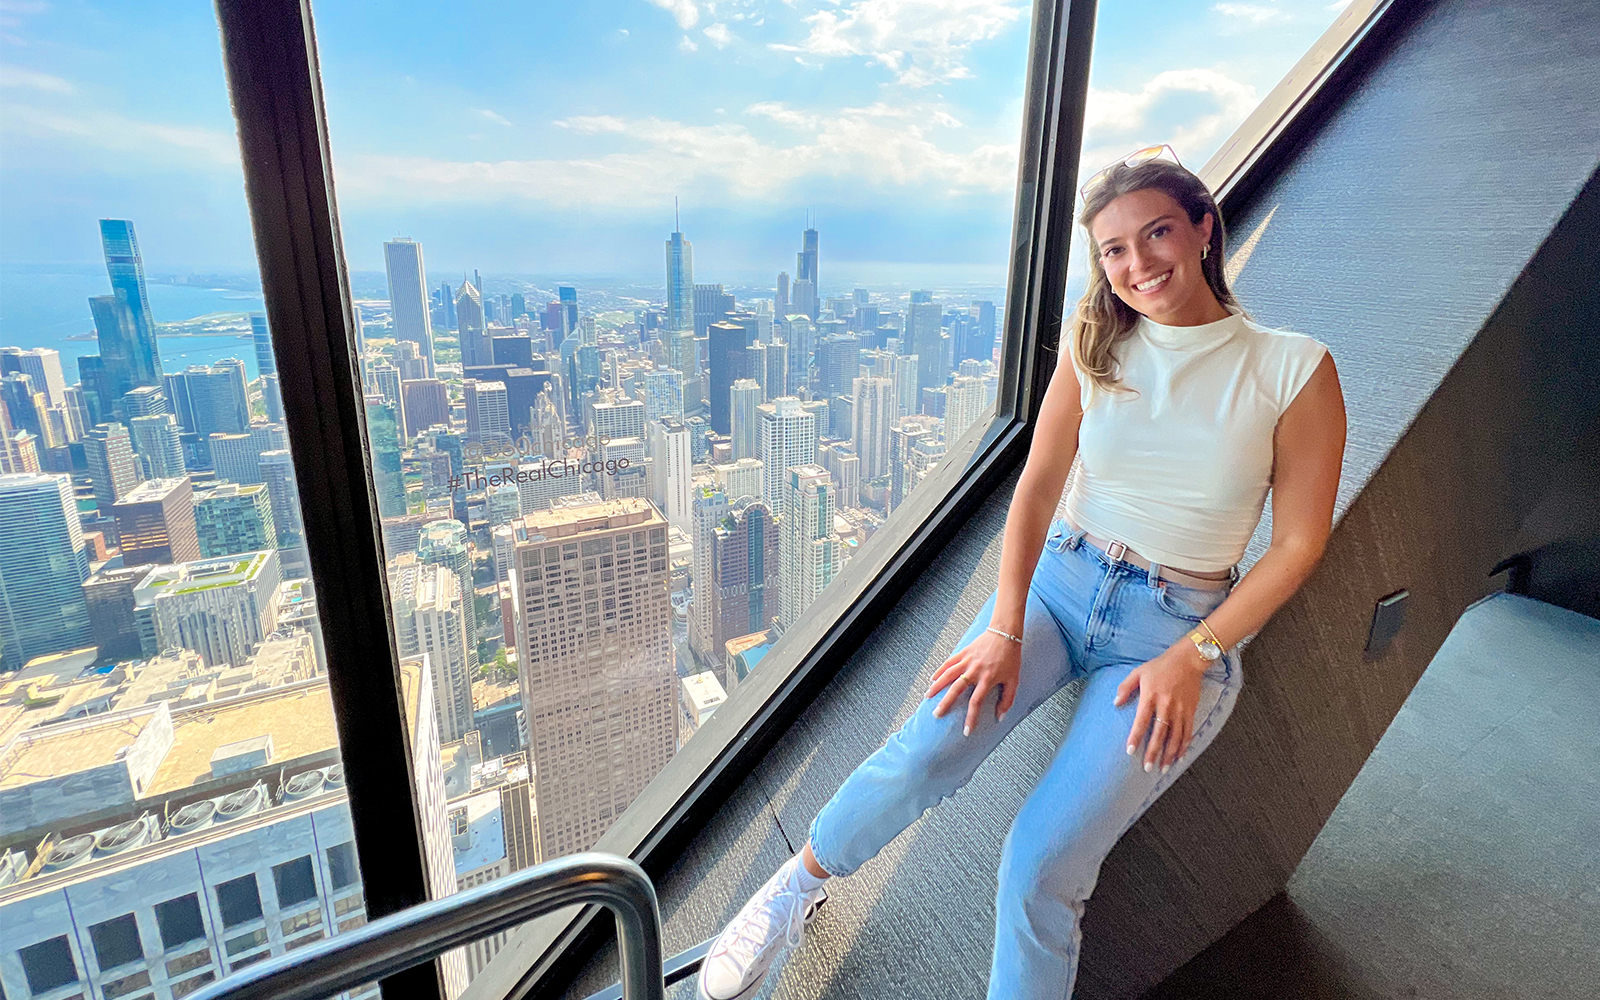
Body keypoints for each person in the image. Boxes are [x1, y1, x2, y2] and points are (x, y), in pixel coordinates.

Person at [697, 145, 1347, 1000]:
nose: (1137, 264)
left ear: (1202, 228)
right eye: (1114, 250)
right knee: (929, 745)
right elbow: (1038, 488)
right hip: (1060, 583)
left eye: (1155, 234)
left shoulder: (1293, 369)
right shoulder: (1096, 349)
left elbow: (1297, 545)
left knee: (1041, 861)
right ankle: (795, 889)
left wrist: (1193, 656)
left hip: (1174, 625)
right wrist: (1005, 624)